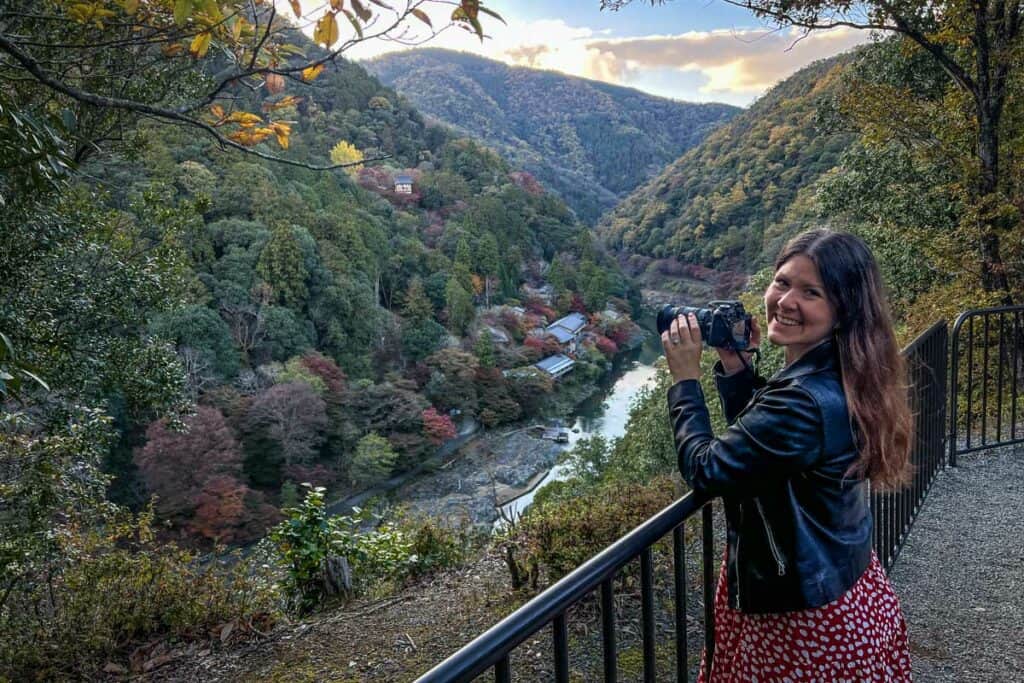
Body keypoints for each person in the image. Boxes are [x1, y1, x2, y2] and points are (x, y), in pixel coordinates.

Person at [661, 229, 913, 682]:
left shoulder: (804, 398)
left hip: (800, 618)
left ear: (843, 310)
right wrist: (737, 370)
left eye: (811, 292)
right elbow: (768, 448)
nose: (786, 300)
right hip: (838, 585)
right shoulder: (844, 369)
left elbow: (708, 468)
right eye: (782, 282)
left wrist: (684, 381)